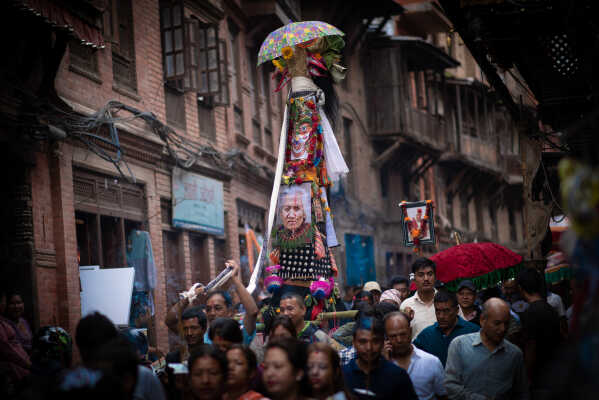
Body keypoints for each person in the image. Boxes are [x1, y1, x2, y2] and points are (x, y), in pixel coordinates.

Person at [445, 298, 529, 400]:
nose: (502, 329)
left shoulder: (514, 354)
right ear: (482, 320)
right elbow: (450, 386)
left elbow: (521, 392)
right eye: (497, 323)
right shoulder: (459, 345)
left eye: (506, 324)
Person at [165, 260, 259, 346]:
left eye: (218, 308)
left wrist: (234, 278)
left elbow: (253, 312)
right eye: (208, 309)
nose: (212, 313)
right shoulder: (201, 336)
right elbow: (170, 320)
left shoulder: (239, 332)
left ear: (231, 312)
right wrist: (191, 295)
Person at [342, 316, 418, 399]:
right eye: (363, 342)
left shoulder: (397, 376)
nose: (369, 347)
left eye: (375, 341)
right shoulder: (342, 376)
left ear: (383, 342)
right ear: (354, 343)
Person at [517, 268, 562, 396]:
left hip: (540, 377)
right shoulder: (549, 308)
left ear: (520, 288)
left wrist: (527, 377)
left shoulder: (530, 313)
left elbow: (531, 347)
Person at [383, 312, 447, 400]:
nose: (399, 340)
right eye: (393, 336)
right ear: (386, 337)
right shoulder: (379, 365)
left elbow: (443, 395)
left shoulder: (431, 362)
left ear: (410, 331)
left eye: (403, 334)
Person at [413, 291, 479, 366]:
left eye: (446, 311)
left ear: (457, 310)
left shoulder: (473, 331)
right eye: (438, 311)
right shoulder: (427, 335)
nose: (441, 316)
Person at [0, 289, 30, 389]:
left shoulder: (24, 322)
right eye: (12, 303)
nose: (16, 306)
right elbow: (10, 350)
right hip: (15, 373)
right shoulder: (5, 325)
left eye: (19, 303)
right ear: (5, 306)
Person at [401, 258, 438, 339]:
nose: (426, 279)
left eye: (430, 274)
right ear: (414, 278)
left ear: (435, 277)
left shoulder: (447, 302)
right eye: (421, 275)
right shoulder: (405, 305)